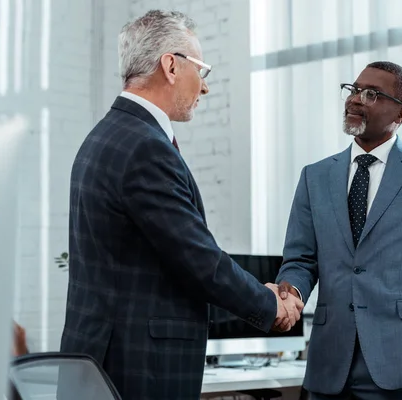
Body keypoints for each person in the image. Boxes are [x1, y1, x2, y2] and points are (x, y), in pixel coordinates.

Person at [60, 10, 303, 400]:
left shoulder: (108, 135)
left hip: (106, 358)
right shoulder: (144, 147)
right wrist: (269, 305)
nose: (204, 88)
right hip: (137, 366)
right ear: (171, 65)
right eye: (201, 70)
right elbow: (197, 258)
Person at [274, 61, 402, 399]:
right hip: (329, 365)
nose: (356, 99)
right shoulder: (315, 176)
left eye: (371, 94)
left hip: (401, 365)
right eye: (353, 90)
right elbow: (300, 260)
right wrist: (291, 293)